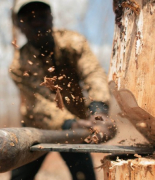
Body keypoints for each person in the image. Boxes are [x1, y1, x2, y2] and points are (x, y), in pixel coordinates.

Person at [9, 0, 117, 179]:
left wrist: (99, 111)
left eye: (42, 16)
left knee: (85, 176)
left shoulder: (73, 43)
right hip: (36, 130)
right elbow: (40, 103)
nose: (37, 22)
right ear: (20, 26)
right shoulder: (18, 65)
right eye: (29, 19)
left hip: (77, 128)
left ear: (51, 18)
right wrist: (70, 124)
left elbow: (93, 73)